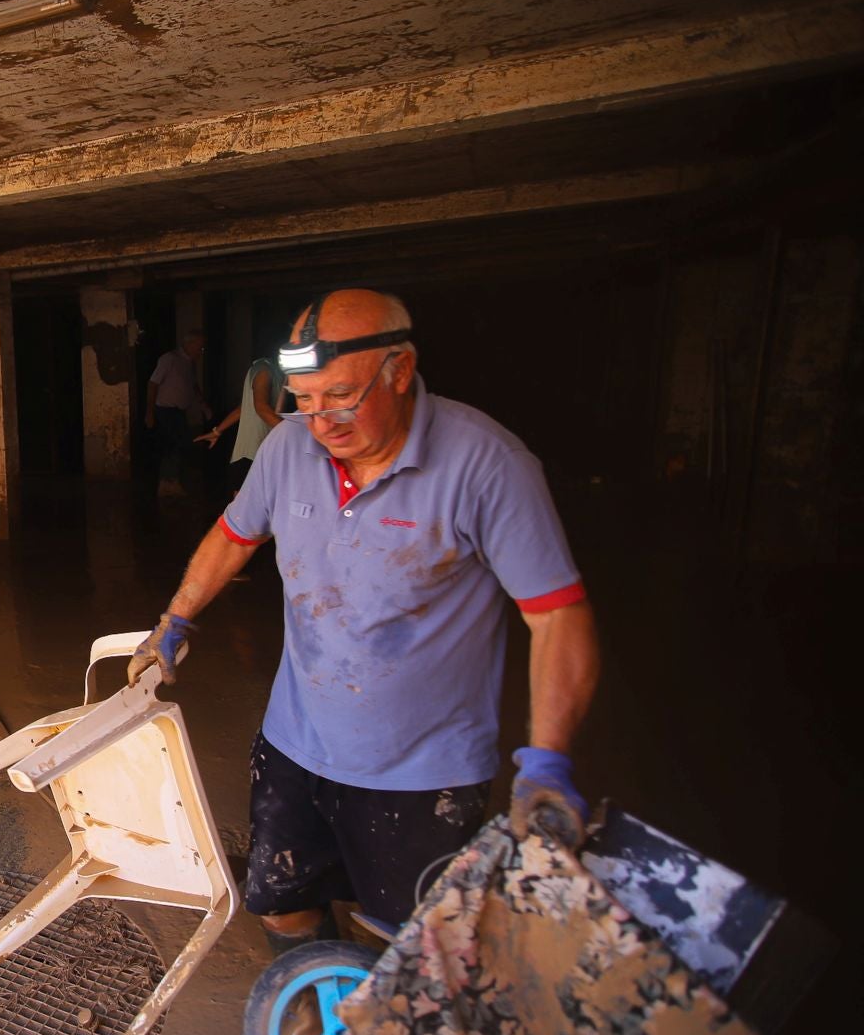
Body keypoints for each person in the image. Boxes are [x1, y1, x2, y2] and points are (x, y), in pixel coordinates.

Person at [128, 290, 599, 952]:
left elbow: (556, 618)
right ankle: (319, 1023)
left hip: (424, 773)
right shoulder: (289, 448)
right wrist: (175, 619)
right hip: (296, 744)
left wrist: (546, 761)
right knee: (283, 905)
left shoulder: (488, 466)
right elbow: (236, 536)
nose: (320, 420)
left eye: (340, 396)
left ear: (400, 371)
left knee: (411, 945)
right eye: (304, 398)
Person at [196, 355, 282, 500]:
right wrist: (294, 434)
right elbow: (261, 407)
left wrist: (217, 431)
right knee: (243, 512)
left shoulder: (265, 370)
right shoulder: (264, 370)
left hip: (255, 453)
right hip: (251, 454)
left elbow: (243, 409)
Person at [145, 330, 211, 496]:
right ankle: (168, 482)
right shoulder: (169, 359)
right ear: (190, 344)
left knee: (177, 445)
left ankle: (170, 481)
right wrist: (150, 413)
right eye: (200, 347)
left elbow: (193, 385)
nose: (201, 351)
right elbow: (153, 384)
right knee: (173, 445)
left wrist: (203, 405)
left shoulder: (189, 363)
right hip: (166, 410)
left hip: (179, 411)